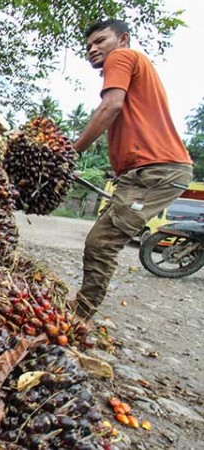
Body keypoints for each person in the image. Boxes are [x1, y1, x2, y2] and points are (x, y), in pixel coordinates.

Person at [71, 19, 193, 322]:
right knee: (102, 238)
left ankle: (78, 318)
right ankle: (79, 311)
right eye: (88, 46)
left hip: (157, 170)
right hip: (145, 172)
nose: (93, 49)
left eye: (100, 41)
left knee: (102, 242)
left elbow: (110, 106)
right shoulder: (133, 64)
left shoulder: (122, 57)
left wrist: (71, 151)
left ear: (123, 39)